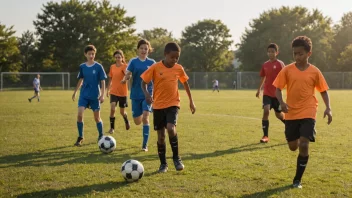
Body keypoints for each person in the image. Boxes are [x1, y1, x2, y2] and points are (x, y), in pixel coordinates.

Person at [273, 36, 332, 189]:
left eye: (300, 54)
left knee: (304, 145)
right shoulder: (287, 70)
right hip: (291, 112)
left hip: (309, 109)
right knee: (293, 146)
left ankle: (297, 180)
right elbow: (278, 88)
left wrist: (328, 108)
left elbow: (324, 90)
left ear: (308, 54)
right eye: (295, 54)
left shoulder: (315, 71)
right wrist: (281, 102)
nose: (297, 57)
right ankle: (304, 134)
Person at [141, 42, 196, 173]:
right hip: (158, 105)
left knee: (171, 128)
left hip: (173, 103)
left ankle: (177, 158)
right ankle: (163, 164)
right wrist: (147, 94)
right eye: (172, 57)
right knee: (160, 136)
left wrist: (191, 101)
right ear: (165, 55)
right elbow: (143, 83)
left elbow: (185, 84)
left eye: (177, 57)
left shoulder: (178, 68)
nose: (175, 60)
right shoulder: (155, 67)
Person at [121, 39, 155, 151]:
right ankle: (137, 115)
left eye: (146, 48)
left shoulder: (152, 63)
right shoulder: (133, 61)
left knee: (146, 117)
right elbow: (128, 73)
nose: (143, 50)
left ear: (148, 50)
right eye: (141, 48)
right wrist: (125, 78)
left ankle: (144, 145)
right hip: (135, 94)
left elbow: (156, 78)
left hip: (147, 94)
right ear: (138, 49)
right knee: (137, 121)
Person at [72, 45, 107, 146]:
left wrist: (102, 94)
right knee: (79, 114)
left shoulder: (98, 66)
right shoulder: (82, 66)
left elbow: (103, 81)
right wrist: (75, 92)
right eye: (89, 54)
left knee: (97, 118)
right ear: (85, 54)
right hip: (84, 95)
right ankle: (80, 137)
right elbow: (80, 79)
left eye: (93, 54)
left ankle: (101, 135)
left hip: (95, 96)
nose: (91, 56)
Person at [256, 43, 285, 143]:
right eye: (269, 52)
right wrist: (259, 89)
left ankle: (290, 127)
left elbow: (285, 77)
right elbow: (263, 77)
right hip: (267, 93)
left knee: (279, 115)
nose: (270, 53)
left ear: (277, 53)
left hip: (277, 94)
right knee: (266, 111)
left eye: (272, 52)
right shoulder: (265, 65)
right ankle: (265, 136)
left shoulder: (280, 64)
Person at [106, 50, 130, 134]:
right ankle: (112, 128)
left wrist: (124, 80)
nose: (117, 59)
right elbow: (110, 78)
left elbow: (128, 75)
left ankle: (126, 120)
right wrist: (107, 89)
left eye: (119, 57)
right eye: (116, 57)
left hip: (123, 93)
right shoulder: (112, 67)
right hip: (113, 92)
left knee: (122, 112)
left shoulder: (125, 66)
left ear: (122, 57)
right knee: (112, 108)